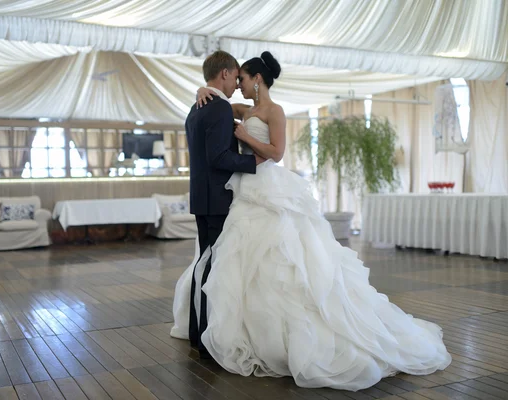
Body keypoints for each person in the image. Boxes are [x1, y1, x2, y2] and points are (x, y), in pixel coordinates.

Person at [171, 51, 451, 391]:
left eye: (243, 79)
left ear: (256, 79)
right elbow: (214, 108)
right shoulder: (239, 109)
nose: (240, 85)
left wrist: (245, 138)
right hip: (240, 190)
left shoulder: (274, 111)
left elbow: (276, 153)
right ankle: (237, 328)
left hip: (263, 182)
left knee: (278, 256)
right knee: (234, 260)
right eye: (236, 79)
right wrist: (203, 90)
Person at [182, 50, 265, 359]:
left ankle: (198, 332)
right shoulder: (218, 108)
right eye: (235, 77)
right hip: (217, 198)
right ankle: (205, 337)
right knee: (211, 266)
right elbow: (218, 157)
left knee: (206, 263)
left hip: (203, 197)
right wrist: (254, 161)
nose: (235, 84)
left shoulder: (197, 107)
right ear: (226, 74)